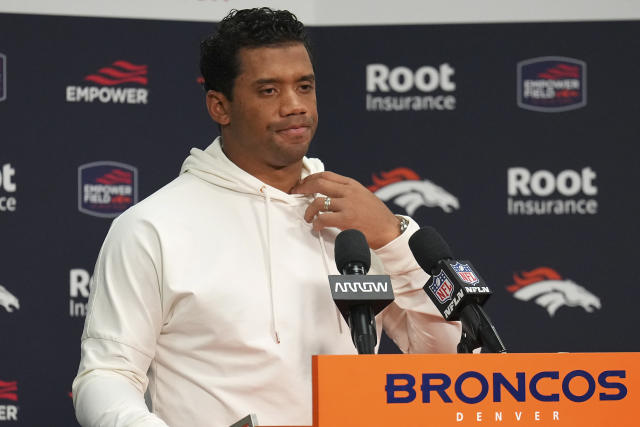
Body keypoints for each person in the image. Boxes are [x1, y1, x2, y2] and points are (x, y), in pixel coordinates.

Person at [72, 7, 461, 427]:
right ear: (220, 106)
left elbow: (441, 362)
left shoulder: (355, 223)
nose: (295, 106)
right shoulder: (151, 228)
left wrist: (391, 236)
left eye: (304, 86)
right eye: (269, 91)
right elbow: (106, 375)